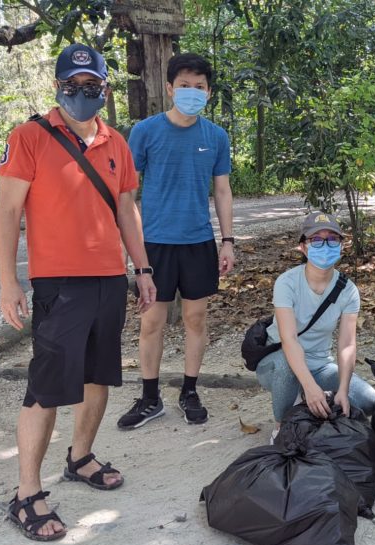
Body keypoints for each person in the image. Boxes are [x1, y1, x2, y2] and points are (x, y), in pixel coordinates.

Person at [0, 43, 157, 541]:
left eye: (91, 86)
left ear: (104, 89)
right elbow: (8, 214)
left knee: (98, 375)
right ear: (57, 86)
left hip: (109, 277)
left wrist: (142, 268)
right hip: (58, 283)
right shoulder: (29, 137)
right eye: (72, 85)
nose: (81, 94)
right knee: (45, 389)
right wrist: (8, 280)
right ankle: (26, 494)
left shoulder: (117, 142)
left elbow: (126, 209)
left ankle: (80, 456)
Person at [117, 53, 235, 429]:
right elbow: (127, 195)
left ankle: (189, 391)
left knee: (195, 318)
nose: (191, 92)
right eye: (184, 85)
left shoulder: (216, 136)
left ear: (209, 92)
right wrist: (132, 249)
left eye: (199, 87)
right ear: (169, 88)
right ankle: (150, 397)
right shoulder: (145, 132)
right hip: (154, 244)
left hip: (198, 241)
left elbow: (222, 190)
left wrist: (228, 241)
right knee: (151, 322)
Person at [256, 212, 375, 442]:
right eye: (316, 240)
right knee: (286, 364)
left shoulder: (348, 290)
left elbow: (347, 344)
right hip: (277, 363)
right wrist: (310, 387)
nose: (325, 245)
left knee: (368, 401)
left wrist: (343, 389)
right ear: (303, 247)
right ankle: (281, 426)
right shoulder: (287, 283)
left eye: (332, 239)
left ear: (341, 246)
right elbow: (289, 340)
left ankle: (307, 395)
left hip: (320, 364)